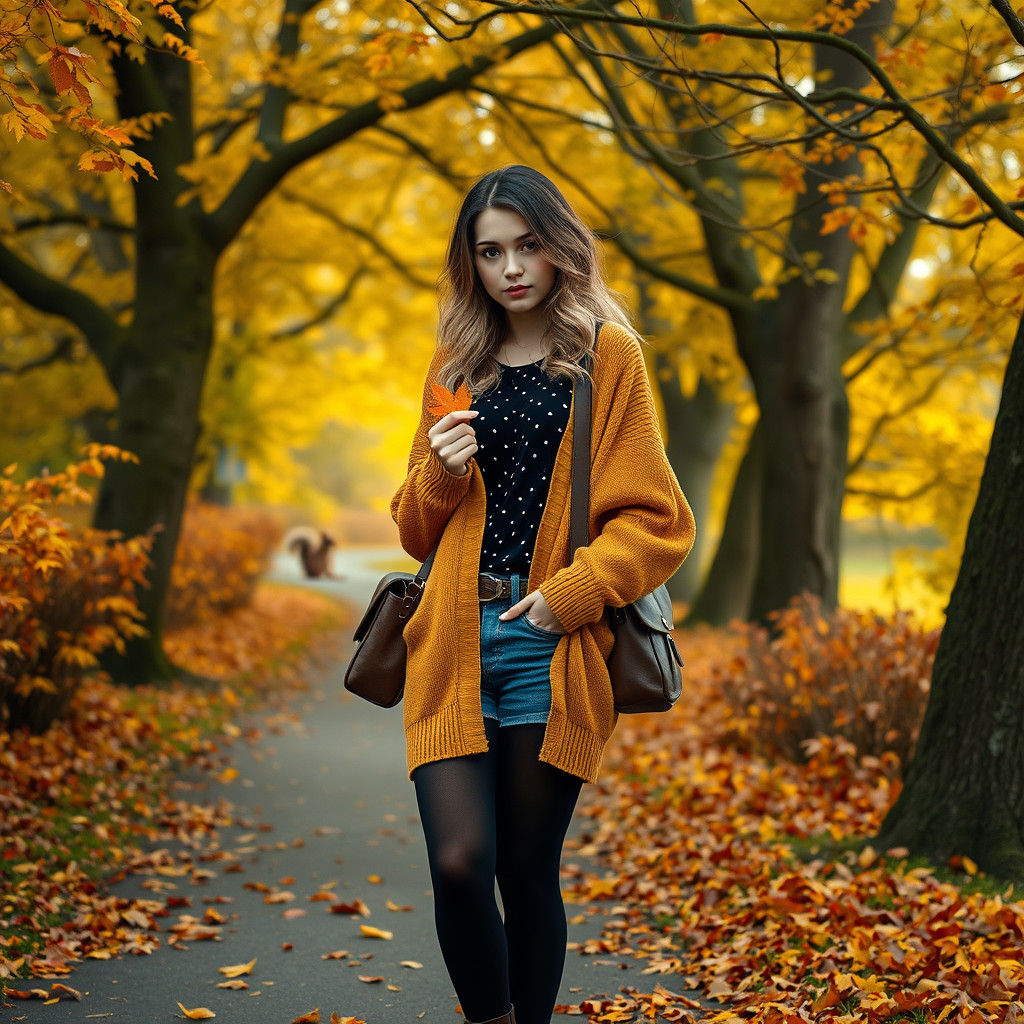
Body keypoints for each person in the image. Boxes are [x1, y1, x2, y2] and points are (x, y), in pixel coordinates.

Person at [389, 165, 696, 1024]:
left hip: (550, 644)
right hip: (450, 637)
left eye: (527, 245)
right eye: (490, 252)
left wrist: (576, 594)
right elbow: (414, 529)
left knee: (526, 872)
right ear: (471, 264)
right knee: (458, 861)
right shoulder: (455, 364)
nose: (512, 267)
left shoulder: (608, 354)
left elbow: (659, 519)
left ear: (560, 247)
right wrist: (442, 475)